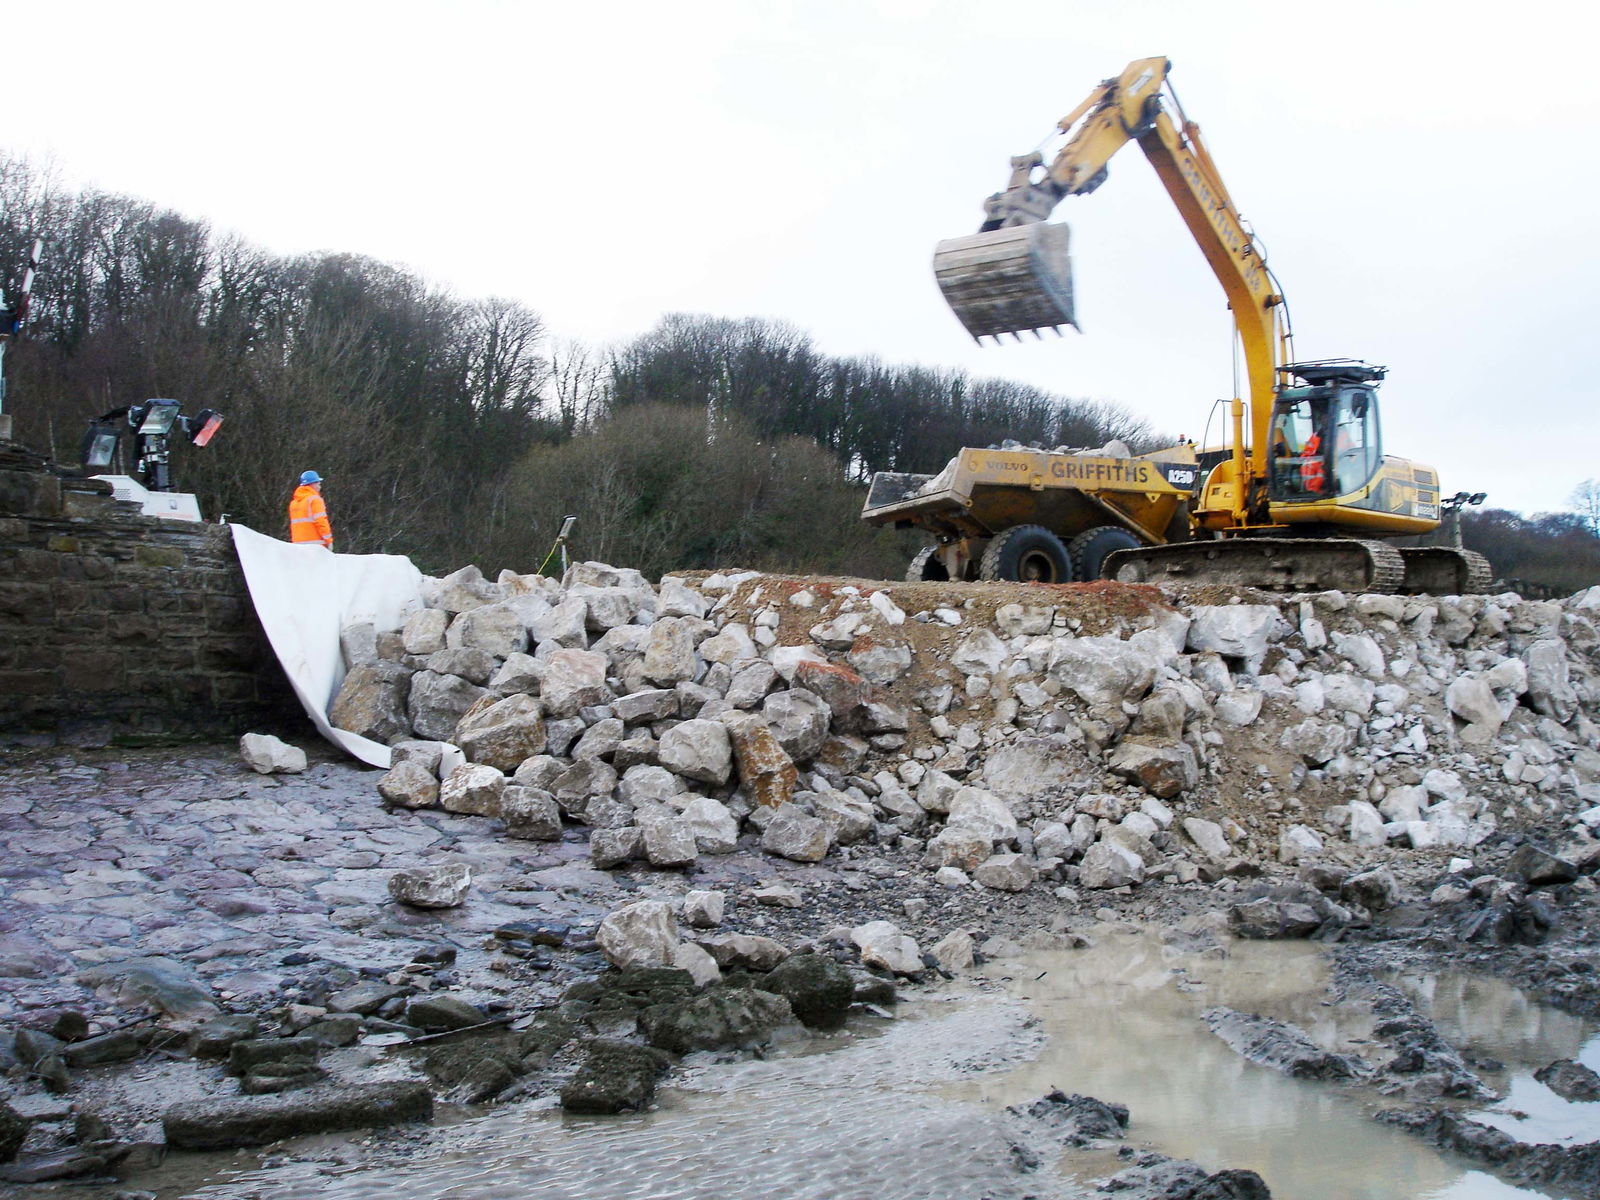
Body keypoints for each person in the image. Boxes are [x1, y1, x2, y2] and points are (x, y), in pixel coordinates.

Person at [288, 470, 333, 549]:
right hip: (315, 546)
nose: (320, 487)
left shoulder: (294, 503)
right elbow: (321, 522)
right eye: (318, 483)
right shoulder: (315, 500)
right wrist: (329, 540)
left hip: (297, 546)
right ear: (312, 484)